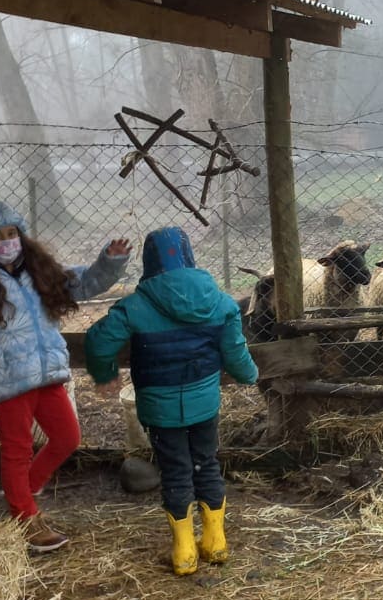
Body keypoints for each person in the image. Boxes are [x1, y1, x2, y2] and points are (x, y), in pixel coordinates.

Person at [0, 201, 131, 551]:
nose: (6, 242)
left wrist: (110, 262)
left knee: (68, 437)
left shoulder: (40, 271)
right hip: (5, 384)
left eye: (12, 233)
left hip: (47, 376)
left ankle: (24, 488)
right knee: (16, 450)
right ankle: (25, 519)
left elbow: (86, 283)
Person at [84, 226, 258, 577]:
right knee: (206, 463)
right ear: (189, 258)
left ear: (150, 262)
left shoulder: (135, 306)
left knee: (176, 471)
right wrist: (249, 375)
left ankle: (184, 552)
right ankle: (216, 543)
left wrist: (105, 376)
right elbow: (236, 352)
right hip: (204, 402)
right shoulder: (220, 302)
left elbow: (98, 342)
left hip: (159, 407)